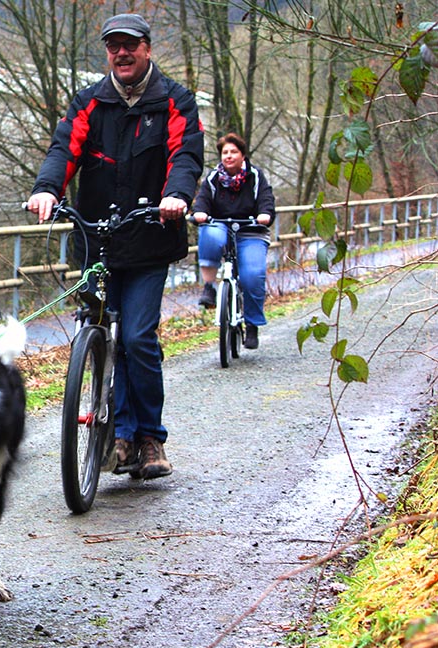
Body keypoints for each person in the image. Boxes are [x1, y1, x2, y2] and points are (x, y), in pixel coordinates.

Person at [26, 13, 204, 480]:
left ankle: (147, 438)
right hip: (97, 241)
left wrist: (177, 196)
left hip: (148, 239)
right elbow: (64, 149)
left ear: (147, 48)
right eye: (113, 47)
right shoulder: (89, 101)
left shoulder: (174, 101)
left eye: (130, 45)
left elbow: (184, 154)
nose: (121, 54)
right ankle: (117, 436)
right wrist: (48, 188)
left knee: (137, 336)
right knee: (102, 333)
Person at [192, 132, 276, 350]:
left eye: (233, 152)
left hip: (250, 230)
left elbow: (266, 199)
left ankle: (252, 323)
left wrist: (265, 214)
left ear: (243, 155)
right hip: (221, 226)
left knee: (252, 275)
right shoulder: (213, 178)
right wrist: (199, 213)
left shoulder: (255, 176)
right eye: (225, 152)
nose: (228, 156)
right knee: (209, 234)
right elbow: (202, 201)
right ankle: (209, 287)